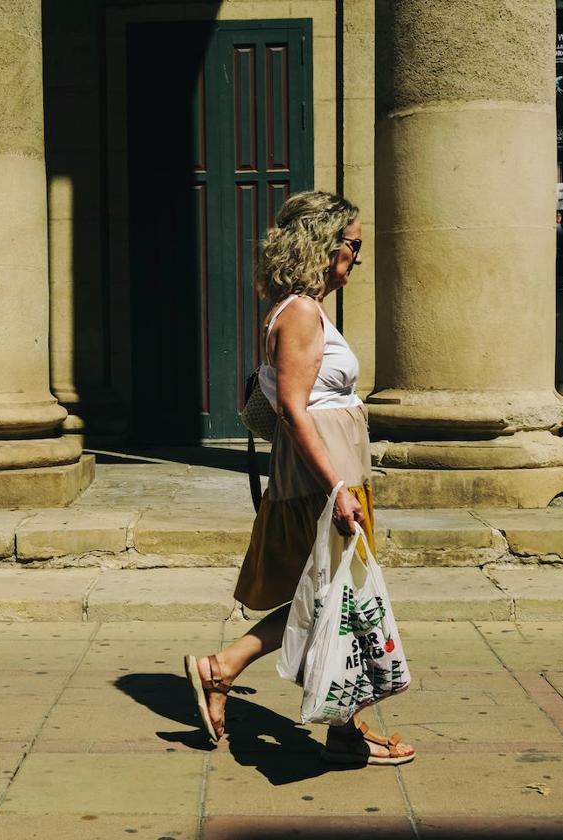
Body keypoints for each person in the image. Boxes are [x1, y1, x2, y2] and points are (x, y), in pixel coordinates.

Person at [184, 190, 415, 766]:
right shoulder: (302, 314)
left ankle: (338, 724)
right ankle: (226, 667)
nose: (357, 257)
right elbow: (292, 405)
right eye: (352, 245)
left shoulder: (300, 308)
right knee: (337, 595)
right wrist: (338, 487)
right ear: (323, 245)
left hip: (329, 467)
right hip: (324, 472)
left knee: (337, 595)